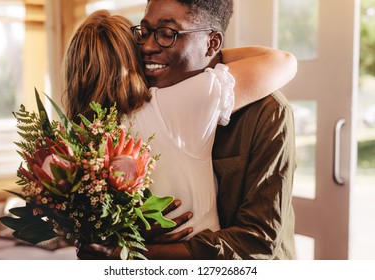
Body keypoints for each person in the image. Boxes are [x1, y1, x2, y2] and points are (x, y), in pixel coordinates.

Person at [72, 0, 297, 260]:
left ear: (212, 43)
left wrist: (142, 251)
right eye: (143, 33)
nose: (147, 46)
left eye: (167, 34)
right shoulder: (137, 105)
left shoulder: (267, 111)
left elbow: (258, 240)